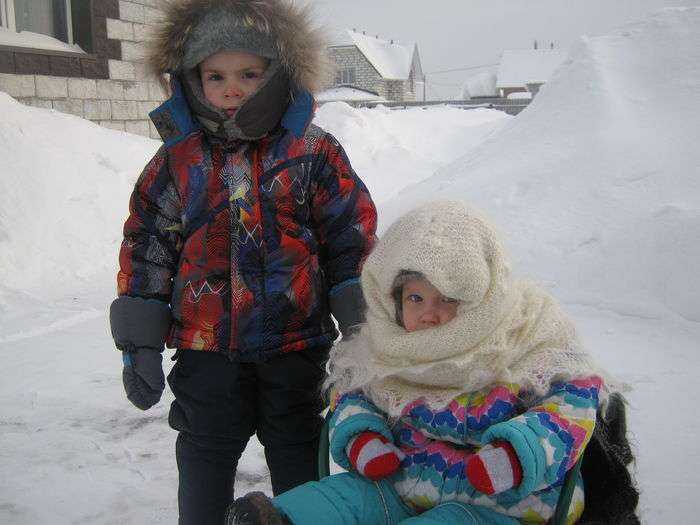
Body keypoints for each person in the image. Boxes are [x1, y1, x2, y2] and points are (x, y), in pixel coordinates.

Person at [108, 1, 377, 524]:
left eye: (249, 73)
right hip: (206, 351)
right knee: (205, 453)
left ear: (278, 72)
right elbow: (148, 245)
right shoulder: (177, 160)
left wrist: (363, 327)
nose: (232, 88)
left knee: (300, 457)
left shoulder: (313, 152)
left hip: (295, 346)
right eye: (216, 75)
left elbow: (349, 236)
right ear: (191, 78)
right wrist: (139, 341)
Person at [224, 201, 628, 525]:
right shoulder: (386, 345)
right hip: (400, 482)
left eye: (447, 299)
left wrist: (518, 454)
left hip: (496, 501)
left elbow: (574, 405)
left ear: (479, 297)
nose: (429, 314)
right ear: (394, 300)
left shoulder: (526, 337)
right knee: (338, 499)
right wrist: (363, 437)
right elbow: (352, 399)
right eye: (416, 298)